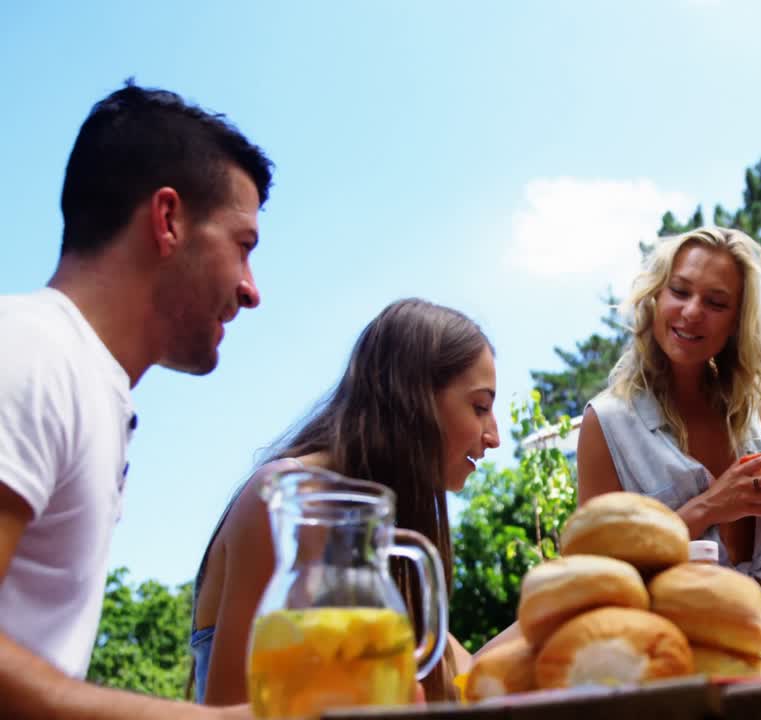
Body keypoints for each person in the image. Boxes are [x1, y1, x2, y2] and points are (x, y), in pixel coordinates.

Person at [0, 82, 271, 719]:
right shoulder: (30, 353)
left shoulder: (88, 385)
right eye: (244, 247)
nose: (251, 289)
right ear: (168, 219)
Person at [193, 299, 499, 704]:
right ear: (414, 397)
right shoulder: (290, 503)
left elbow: (472, 679)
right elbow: (230, 711)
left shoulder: (375, 545)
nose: (494, 436)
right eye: (479, 407)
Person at [576, 226, 761, 642]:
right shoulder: (606, 422)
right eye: (679, 291)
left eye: (716, 302)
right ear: (656, 296)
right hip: (688, 663)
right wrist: (710, 507)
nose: (693, 311)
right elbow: (596, 577)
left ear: (736, 322)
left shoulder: (749, 407)